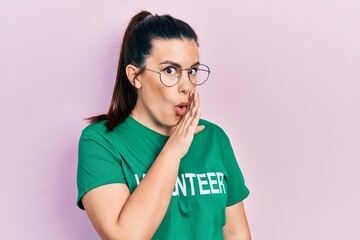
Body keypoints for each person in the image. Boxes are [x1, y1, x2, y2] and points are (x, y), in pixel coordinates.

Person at [77, 10, 251, 240]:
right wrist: (173, 150)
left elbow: (237, 233)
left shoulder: (214, 137)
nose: (187, 86)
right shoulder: (100, 142)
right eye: (170, 70)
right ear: (135, 76)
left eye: (192, 71)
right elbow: (125, 236)